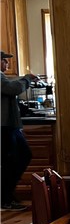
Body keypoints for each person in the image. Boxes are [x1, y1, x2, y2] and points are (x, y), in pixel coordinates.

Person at [1, 52, 38, 209]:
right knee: (11, 161)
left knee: (21, 156)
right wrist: (27, 78)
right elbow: (13, 88)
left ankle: (7, 196)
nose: (7, 64)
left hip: (10, 126)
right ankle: (5, 199)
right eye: (3, 60)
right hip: (4, 127)